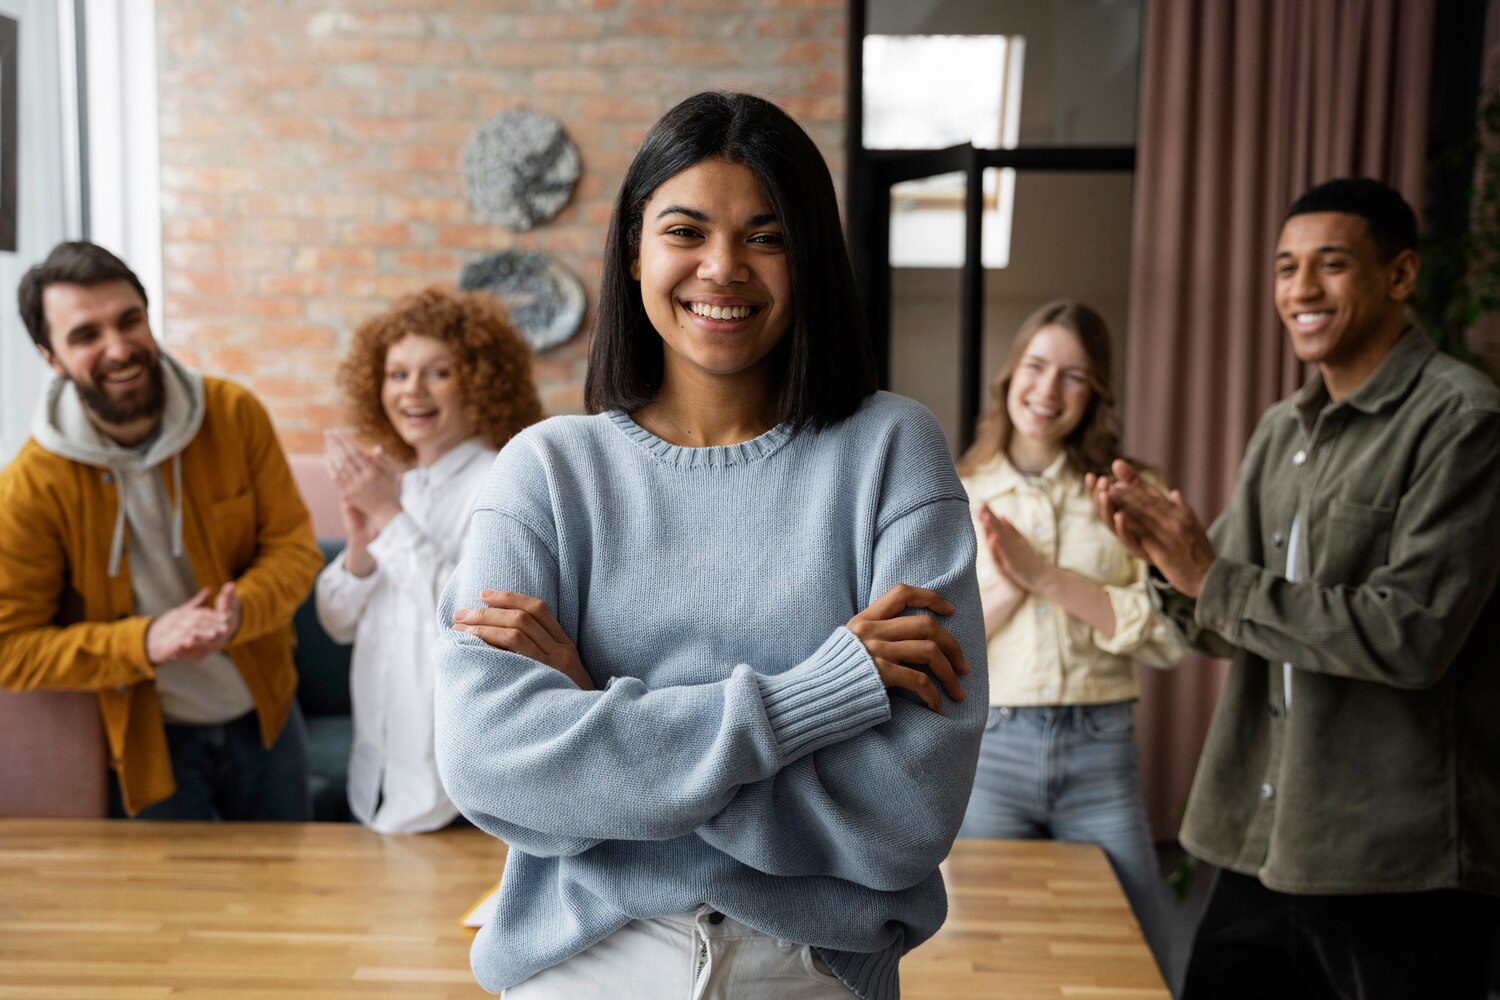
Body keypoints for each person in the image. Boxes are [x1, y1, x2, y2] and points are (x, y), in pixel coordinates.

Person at [431, 92, 988, 1000]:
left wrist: (604, 734)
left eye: (766, 236)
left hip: (812, 971)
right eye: (685, 230)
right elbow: (487, 763)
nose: (723, 269)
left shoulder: (892, 452)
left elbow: (909, 815)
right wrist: (818, 697)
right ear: (633, 251)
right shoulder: (547, 472)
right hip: (580, 962)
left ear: (810, 257)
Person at [1092, 177, 1500, 998]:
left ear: (1401, 275)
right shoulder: (1283, 428)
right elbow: (1227, 619)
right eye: (1284, 268)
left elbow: (1410, 635)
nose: (1300, 290)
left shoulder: (1462, 420)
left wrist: (1210, 575)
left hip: (1397, 861)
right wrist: (1165, 564)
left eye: (1331, 264)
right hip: (1261, 840)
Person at [0, 241, 323, 819]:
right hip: (149, 742)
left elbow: (293, 550)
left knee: (291, 896)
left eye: (129, 320)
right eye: (86, 335)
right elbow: (10, 648)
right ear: (51, 358)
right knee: (178, 909)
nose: (118, 348)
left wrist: (239, 610)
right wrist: (144, 642)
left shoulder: (235, 414)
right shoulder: (30, 486)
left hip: (267, 713)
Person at [955, 299, 1185, 977]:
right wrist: (1012, 585)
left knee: (1137, 950)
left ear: (1098, 393)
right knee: (981, 950)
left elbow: (1167, 636)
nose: (1048, 390)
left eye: (1074, 376)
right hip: (990, 750)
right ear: (1009, 376)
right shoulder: (956, 492)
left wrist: (1045, 575)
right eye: (1036, 366)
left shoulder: (1131, 491)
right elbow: (941, 643)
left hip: (1100, 749)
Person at [314, 287, 542, 835]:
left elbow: (467, 618)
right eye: (396, 374)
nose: (412, 390)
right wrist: (364, 541)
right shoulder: (398, 487)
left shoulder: (502, 481)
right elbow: (336, 621)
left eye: (437, 372)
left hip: (453, 787)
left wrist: (388, 516)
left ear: (481, 382)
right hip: (378, 774)